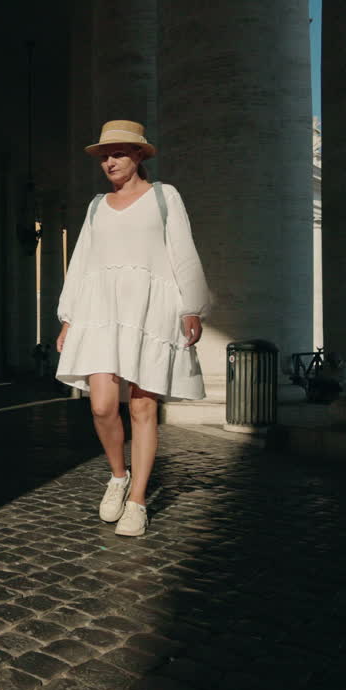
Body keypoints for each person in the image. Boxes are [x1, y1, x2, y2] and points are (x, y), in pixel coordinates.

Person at [55, 120, 211, 537]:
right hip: (101, 310)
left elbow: (183, 250)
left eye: (119, 153)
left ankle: (138, 501)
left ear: (139, 155)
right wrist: (68, 317)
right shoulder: (95, 206)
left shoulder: (165, 196)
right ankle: (118, 475)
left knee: (143, 407)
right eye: (105, 155)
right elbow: (81, 262)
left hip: (151, 309)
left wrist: (191, 307)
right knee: (102, 404)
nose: (110, 161)